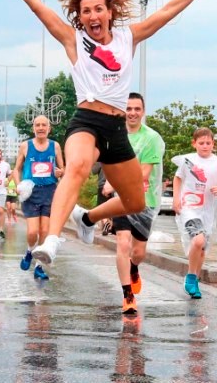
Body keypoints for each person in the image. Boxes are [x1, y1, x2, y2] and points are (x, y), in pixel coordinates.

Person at [0, 0, 217, 265]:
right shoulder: (74, 40)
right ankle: (52, 240)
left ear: (109, 13)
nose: (92, 16)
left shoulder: (128, 37)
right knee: (77, 167)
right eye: (86, 11)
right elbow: (37, 6)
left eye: (98, 9)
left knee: (135, 202)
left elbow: (166, 11)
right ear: (80, 18)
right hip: (86, 121)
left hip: (116, 128)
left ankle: (86, 218)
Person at [73, 93, 164, 314]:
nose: (132, 113)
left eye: (137, 109)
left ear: (143, 111)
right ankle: (127, 296)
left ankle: (134, 267)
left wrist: (113, 184)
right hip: (120, 200)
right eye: (128, 109)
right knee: (123, 243)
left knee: (138, 252)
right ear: (122, 111)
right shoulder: (114, 135)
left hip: (145, 200)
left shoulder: (151, 138)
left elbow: (144, 173)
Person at [172, 128, 217, 299]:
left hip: (208, 211)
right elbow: (177, 178)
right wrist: (176, 199)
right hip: (189, 208)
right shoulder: (188, 160)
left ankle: (195, 279)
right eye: (201, 143)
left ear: (213, 144)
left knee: (201, 249)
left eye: (208, 143)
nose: (205, 146)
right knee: (198, 240)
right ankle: (190, 277)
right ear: (194, 144)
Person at [13, 115, 64, 281]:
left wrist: (60, 172)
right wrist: (18, 185)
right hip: (31, 192)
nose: (41, 128)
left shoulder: (55, 146)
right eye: (38, 125)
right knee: (33, 232)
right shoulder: (25, 146)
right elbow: (16, 169)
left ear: (49, 128)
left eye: (44, 125)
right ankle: (29, 251)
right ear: (33, 128)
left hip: (50, 192)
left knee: (44, 231)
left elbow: (63, 169)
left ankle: (39, 267)